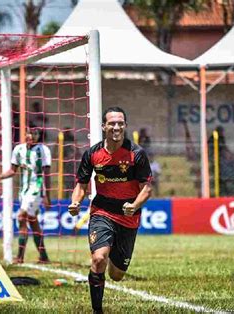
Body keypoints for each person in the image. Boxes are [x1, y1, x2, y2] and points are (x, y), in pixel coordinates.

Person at [68, 107, 152, 313]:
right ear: (104, 126)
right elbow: (81, 184)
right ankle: (97, 310)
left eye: (120, 123)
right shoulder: (92, 154)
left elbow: (147, 189)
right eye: (112, 123)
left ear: (125, 125)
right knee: (98, 259)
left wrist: (134, 206)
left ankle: (113, 251)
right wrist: (76, 202)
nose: (116, 127)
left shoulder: (137, 154)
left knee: (116, 275)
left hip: (127, 217)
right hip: (102, 211)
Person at [0, 127, 50, 264]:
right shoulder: (18, 149)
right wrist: (1, 177)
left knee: (21, 216)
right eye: (29, 133)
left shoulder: (43, 150)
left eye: (35, 134)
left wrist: (47, 195)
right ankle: (43, 256)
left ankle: (19, 257)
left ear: (38, 136)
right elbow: (13, 171)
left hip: (37, 190)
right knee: (32, 221)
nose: (31, 136)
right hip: (24, 192)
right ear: (25, 134)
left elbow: (46, 175)